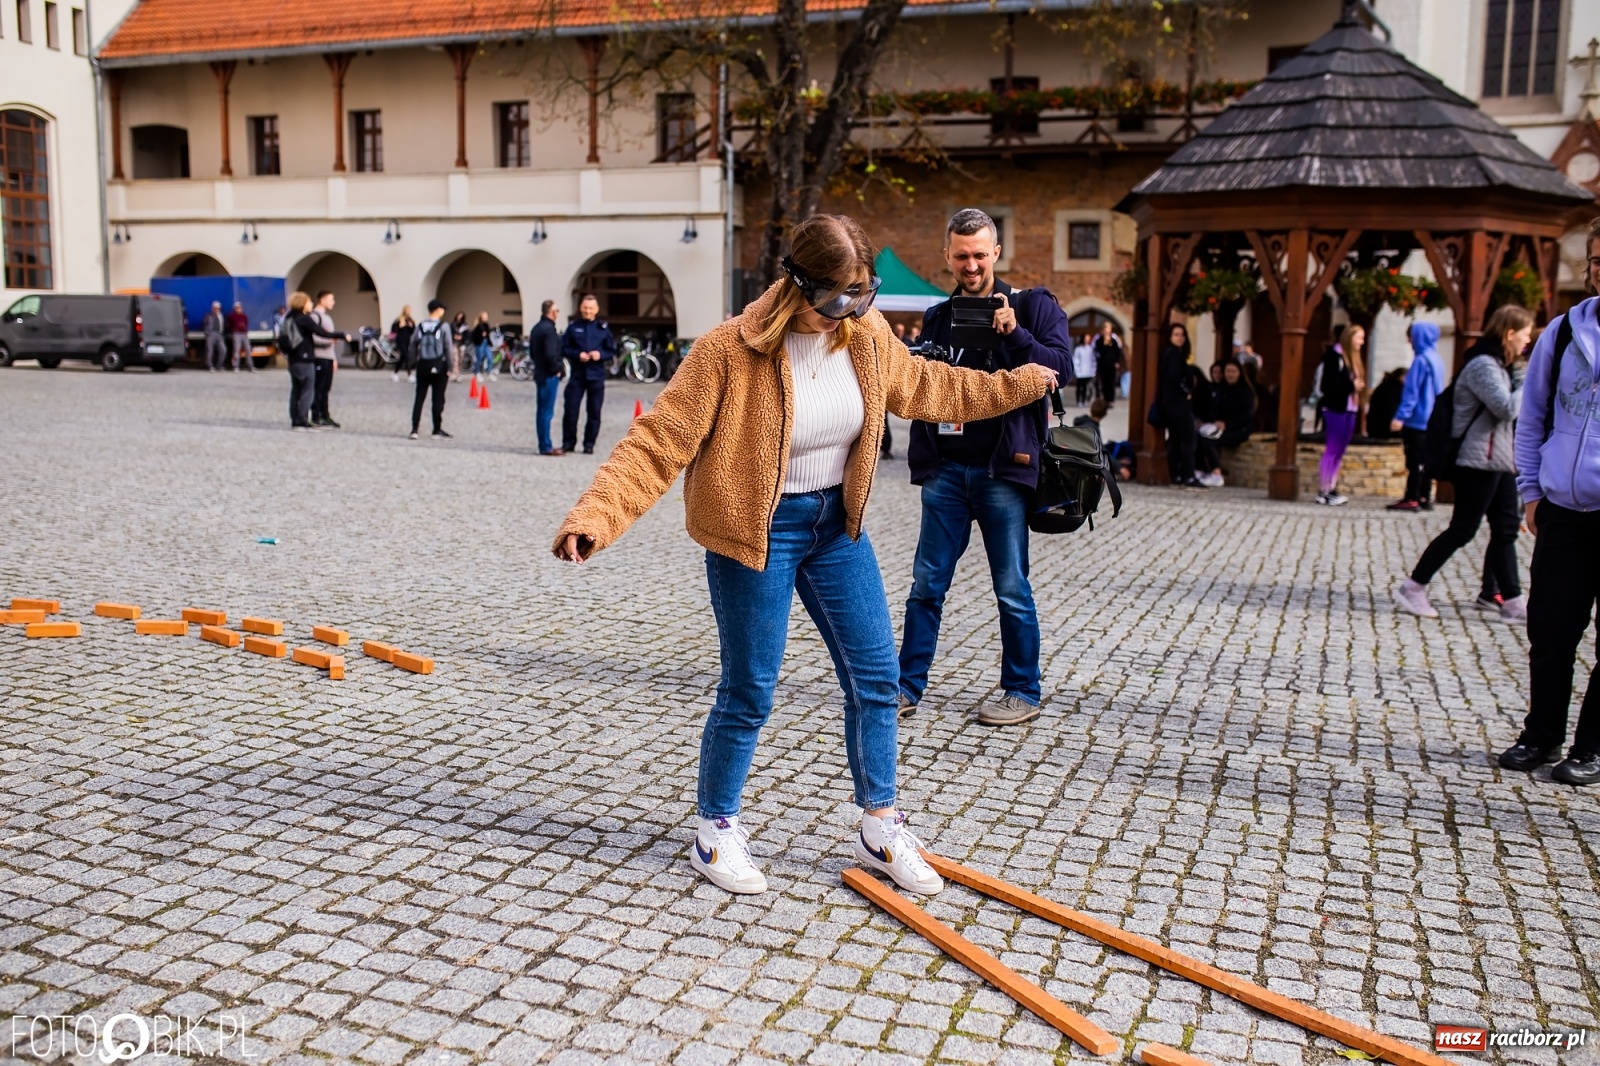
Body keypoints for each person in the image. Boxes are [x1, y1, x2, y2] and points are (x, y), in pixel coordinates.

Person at [553, 214, 1055, 897]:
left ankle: (881, 822)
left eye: (864, 293)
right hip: (754, 532)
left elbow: (934, 388)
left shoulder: (868, 337)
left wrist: (1022, 382)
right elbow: (659, 441)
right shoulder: (729, 350)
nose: (853, 309)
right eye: (839, 297)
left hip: (833, 528)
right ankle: (715, 830)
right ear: (800, 285)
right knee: (750, 688)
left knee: (878, 676)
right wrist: (595, 516)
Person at [896, 208, 1074, 728]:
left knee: (1011, 587)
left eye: (979, 254)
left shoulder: (1034, 306)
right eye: (961, 256)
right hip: (948, 471)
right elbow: (920, 382)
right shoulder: (937, 315)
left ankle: (1021, 690)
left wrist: (1015, 335)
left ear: (996, 252)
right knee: (926, 585)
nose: (971, 265)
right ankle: (905, 688)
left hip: (1003, 473)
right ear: (946, 256)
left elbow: (1058, 371)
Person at [1499, 220, 1600, 785]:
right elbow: (1532, 416)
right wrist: (1531, 491)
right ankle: (1541, 736)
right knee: (1551, 628)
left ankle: (1591, 747)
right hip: (1562, 508)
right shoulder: (1562, 333)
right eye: (1596, 261)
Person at [1393, 304, 1533, 624]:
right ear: (1509, 333)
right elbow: (1506, 408)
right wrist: (1527, 380)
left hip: (1499, 461)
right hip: (1475, 462)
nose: (1526, 343)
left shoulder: (1501, 365)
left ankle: (1510, 600)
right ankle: (1414, 586)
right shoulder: (1483, 365)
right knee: (1463, 529)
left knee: (1506, 530)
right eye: (1524, 335)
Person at [1387, 321, 1446, 511]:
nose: (1409, 341)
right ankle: (1424, 496)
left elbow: (1411, 392)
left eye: (1411, 336)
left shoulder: (1420, 361)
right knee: (1425, 460)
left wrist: (1400, 417)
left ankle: (1412, 496)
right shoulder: (1436, 359)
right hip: (1431, 419)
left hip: (1417, 419)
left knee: (1414, 460)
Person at [280, 291, 350, 430]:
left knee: (296, 390)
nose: (311, 304)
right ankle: (302, 420)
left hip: (293, 359)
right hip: (305, 358)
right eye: (309, 302)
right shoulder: (304, 318)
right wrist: (341, 335)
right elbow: (321, 332)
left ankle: (295, 419)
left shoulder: (288, 317)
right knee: (308, 389)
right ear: (303, 304)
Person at [1316, 324, 1366, 506]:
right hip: (1336, 408)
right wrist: (1350, 387)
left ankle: (1332, 486)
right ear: (1349, 338)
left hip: (1349, 409)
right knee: (1332, 449)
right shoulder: (1334, 357)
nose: (1362, 342)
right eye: (1359, 338)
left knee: (1340, 451)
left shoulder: (1353, 359)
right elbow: (1327, 385)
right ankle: (1324, 490)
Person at [562, 294, 616, 455]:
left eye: (591, 308)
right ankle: (568, 442)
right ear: (581, 308)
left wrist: (600, 354)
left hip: (596, 376)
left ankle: (589, 444)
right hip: (577, 375)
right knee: (571, 410)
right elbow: (564, 348)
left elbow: (611, 350)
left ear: (596, 310)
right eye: (585, 307)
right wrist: (577, 354)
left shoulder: (603, 328)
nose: (588, 311)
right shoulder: (573, 327)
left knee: (594, 412)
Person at [1195, 361, 1256, 486]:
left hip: (1239, 429)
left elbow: (1246, 415)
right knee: (1196, 437)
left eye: (1233, 372)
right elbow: (1213, 410)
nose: (1230, 375)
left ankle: (1216, 473)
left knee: (1209, 441)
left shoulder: (1245, 392)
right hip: (1218, 427)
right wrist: (1207, 422)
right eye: (1228, 371)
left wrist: (1227, 424)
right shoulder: (1221, 389)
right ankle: (1200, 470)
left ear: (1239, 373)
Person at [1157, 324, 1202, 487]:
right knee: (1188, 438)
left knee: (1175, 439)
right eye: (1176, 334)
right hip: (1178, 403)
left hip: (1171, 403)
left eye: (1182, 335)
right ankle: (1188, 475)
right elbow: (1174, 377)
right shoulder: (1174, 354)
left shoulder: (1172, 354)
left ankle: (1176, 475)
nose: (1180, 338)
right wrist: (1186, 392)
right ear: (1170, 336)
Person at [408, 299, 457, 440]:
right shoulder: (444, 326)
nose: (443, 311)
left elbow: (412, 345)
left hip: (423, 364)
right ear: (437, 309)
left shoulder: (421, 325)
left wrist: (412, 364)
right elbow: (448, 347)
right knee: (438, 398)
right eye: (442, 308)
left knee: (419, 397)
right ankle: (436, 429)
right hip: (439, 365)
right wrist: (450, 366)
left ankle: (414, 429)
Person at [530, 300, 564, 455]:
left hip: (540, 372)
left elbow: (532, 352)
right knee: (546, 412)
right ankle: (545, 445)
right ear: (551, 312)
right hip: (549, 374)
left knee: (541, 411)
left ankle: (544, 442)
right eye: (556, 310)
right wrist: (557, 369)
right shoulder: (549, 330)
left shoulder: (537, 328)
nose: (557, 313)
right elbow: (551, 354)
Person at [309, 290, 341, 428]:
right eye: (331, 299)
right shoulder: (315, 317)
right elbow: (314, 337)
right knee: (318, 387)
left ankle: (325, 414)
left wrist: (333, 358)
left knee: (326, 388)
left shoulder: (327, 317)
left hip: (327, 357)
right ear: (322, 300)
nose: (333, 302)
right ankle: (316, 416)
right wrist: (330, 341)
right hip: (319, 357)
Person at [1094, 322, 1123, 407]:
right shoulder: (1099, 339)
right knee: (1103, 382)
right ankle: (1102, 399)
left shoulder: (1113, 339)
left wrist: (1117, 362)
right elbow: (1098, 349)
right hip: (1102, 364)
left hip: (1111, 364)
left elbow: (1118, 351)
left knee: (1111, 382)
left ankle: (1110, 400)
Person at [391, 306, 417, 383]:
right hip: (400, 340)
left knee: (402, 358)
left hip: (407, 340)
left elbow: (413, 330)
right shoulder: (399, 319)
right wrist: (400, 326)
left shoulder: (410, 319)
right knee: (406, 356)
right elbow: (393, 329)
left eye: (409, 310)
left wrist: (411, 326)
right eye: (407, 310)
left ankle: (394, 373)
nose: (408, 311)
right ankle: (409, 374)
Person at [1071, 332, 1097, 407]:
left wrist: (1093, 370)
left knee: (1086, 387)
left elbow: (1093, 360)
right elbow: (1075, 360)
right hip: (1080, 372)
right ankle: (1079, 401)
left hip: (1088, 372)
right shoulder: (1078, 349)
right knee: (1079, 387)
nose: (1087, 340)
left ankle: (1084, 400)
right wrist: (1077, 370)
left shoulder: (1090, 349)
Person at [225, 302, 252, 372]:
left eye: (239, 307)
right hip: (236, 334)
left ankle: (250, 366)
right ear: (235, 308)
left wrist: (245, 331)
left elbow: (246, 323)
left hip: (244, 334)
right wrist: (233, 330)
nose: (238, 309)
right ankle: (235, 366)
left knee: (248, 349)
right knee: (236, 350)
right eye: (237, 307)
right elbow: (228, 325)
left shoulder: (244, 316)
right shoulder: (232, 316)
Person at [203, 302, 226, 372]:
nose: (217, 309)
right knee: (210, 351)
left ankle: (219, 366)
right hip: (211, 334)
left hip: (220, 334)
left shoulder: (221, 315)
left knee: (223, 350)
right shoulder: (209, 315)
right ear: (212, 308)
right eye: (215, 308)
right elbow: (204, 324)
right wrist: (207, 333)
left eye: (218, 308)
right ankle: (210, 366)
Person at [470, 312, 493, 379]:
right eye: (484, 317)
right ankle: (477, 372)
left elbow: (488, 335)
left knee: (490, 357)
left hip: (486, 343)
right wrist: (481, 336)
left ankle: (489, 372)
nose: (485, 318)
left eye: (486, 316)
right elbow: (474, 335)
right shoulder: (478, 326)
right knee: (479, 358)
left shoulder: (487, 325)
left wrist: (490, 342)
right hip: (479, 343)